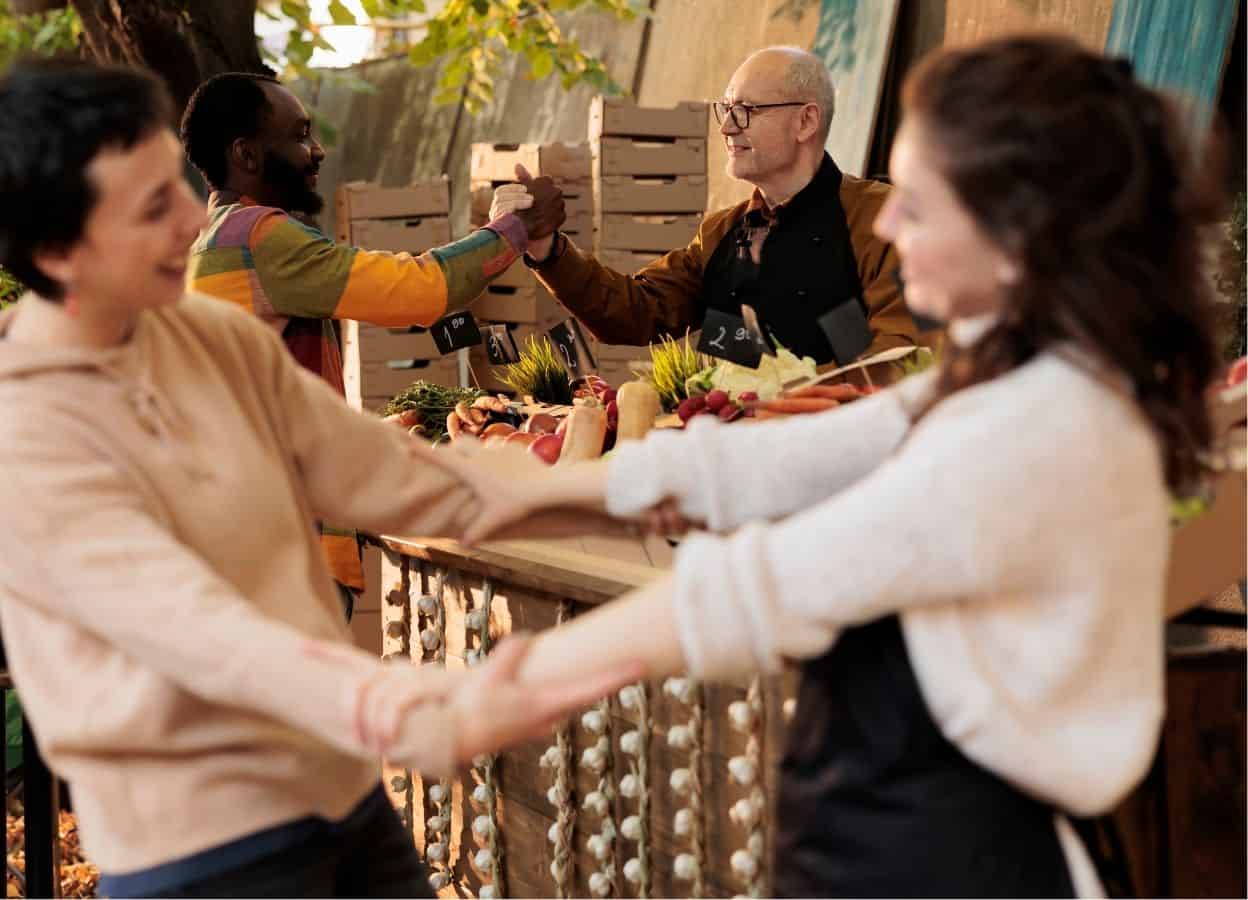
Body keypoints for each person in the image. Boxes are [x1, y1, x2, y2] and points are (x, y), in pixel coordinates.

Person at [399, 35, 1223, 896]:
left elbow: (768, 585)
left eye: (922, 204)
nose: (895, 224)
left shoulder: (1035, 428)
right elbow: (777, 460)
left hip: (964, 861)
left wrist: (504, 692)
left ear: (1012, 229)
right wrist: (528, 487)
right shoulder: (1016, 373)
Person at [0, 58, 634, 898]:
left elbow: (404, 477)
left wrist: (654, 493)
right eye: (153, 205)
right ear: (57, 250)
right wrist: (395, 706)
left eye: (177, 185)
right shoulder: (16, 423)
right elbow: (188, 624)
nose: (192, 219)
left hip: (343, 801)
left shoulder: (206, 336)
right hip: (203, 854)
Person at [180, 71, 565, 598]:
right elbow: (418, 291)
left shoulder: (208, 247)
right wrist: (515, 230)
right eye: (297, 136)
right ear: (246, 155)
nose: (315, 151)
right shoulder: (259, 238)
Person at [506, 46, 935, 368]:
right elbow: (637, 311)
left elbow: (899, 360)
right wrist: (548, 250)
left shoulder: (881, 221)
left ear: (806, 121)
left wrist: (779, 402)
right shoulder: (721, 234)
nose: (728, 127)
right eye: (726, 109)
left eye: (747, 110)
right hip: (730, 453)